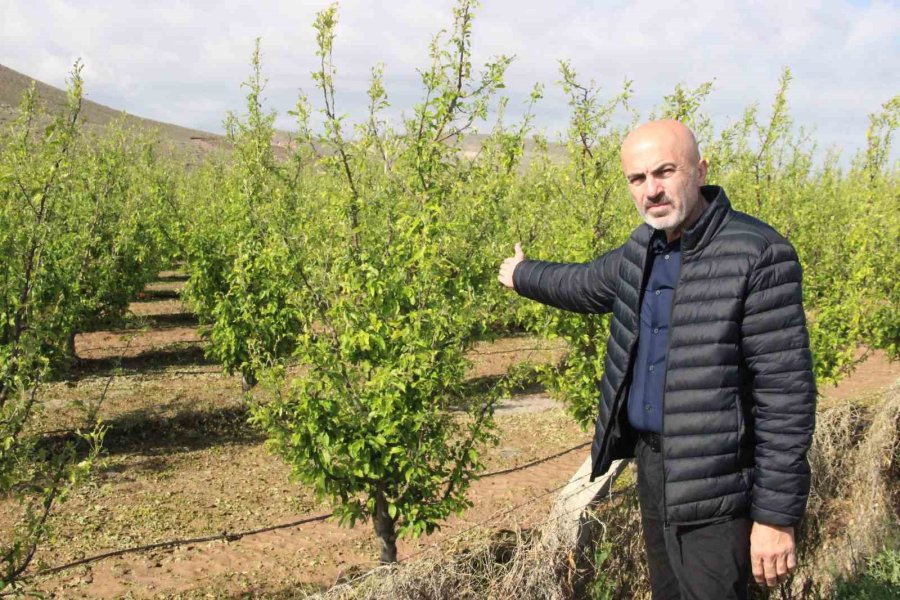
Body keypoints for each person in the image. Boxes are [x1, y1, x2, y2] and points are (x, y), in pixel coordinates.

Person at [497, 120, 816, 600]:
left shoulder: (756, 253)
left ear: (700, 170)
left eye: (665, 171)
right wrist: (523, 274)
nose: (652, 190)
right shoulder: (642, 248)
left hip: (718, 481)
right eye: (638, 178)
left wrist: (775, 516)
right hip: (654, 467)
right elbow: (583, 284)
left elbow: (786, 396)